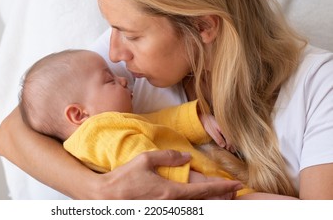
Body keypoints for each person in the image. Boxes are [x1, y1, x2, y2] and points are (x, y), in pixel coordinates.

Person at [0, 0, 333, 199]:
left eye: (131, 35)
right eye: (112, 29)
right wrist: (99, 190)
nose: (113, 51)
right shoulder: (115, 80)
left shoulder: (319, 88)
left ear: (203, 27)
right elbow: (12, 133)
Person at [18, 49, 253, 198]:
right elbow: (145, 163)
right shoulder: (98, 134)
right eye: (109, 80)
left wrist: (199, 120)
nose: (122, 79)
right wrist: (200, 186)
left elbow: (160, 122)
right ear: (79, 114)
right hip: (204, 191)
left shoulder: (117, 125)